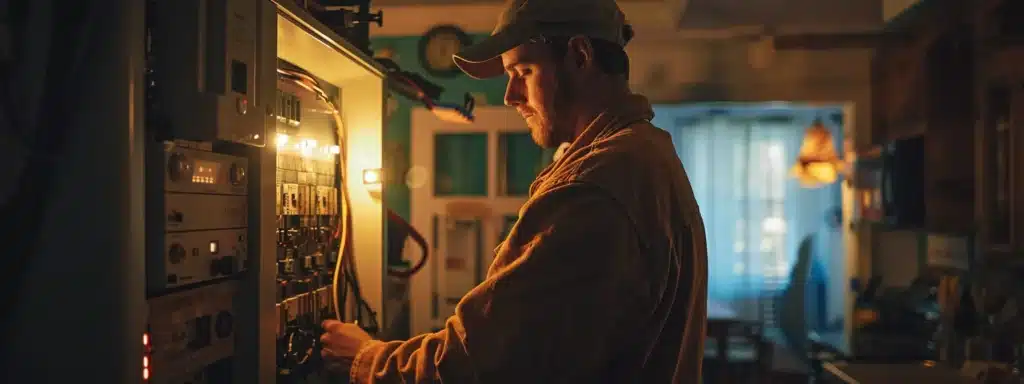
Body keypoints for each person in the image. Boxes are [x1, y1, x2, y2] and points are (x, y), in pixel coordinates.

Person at [319, 0, 708, 382]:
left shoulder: (595, 185)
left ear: (579, 56)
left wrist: (368, 359)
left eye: (523, 70)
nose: (510, 96)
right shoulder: (647, 152)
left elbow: (478, 362)